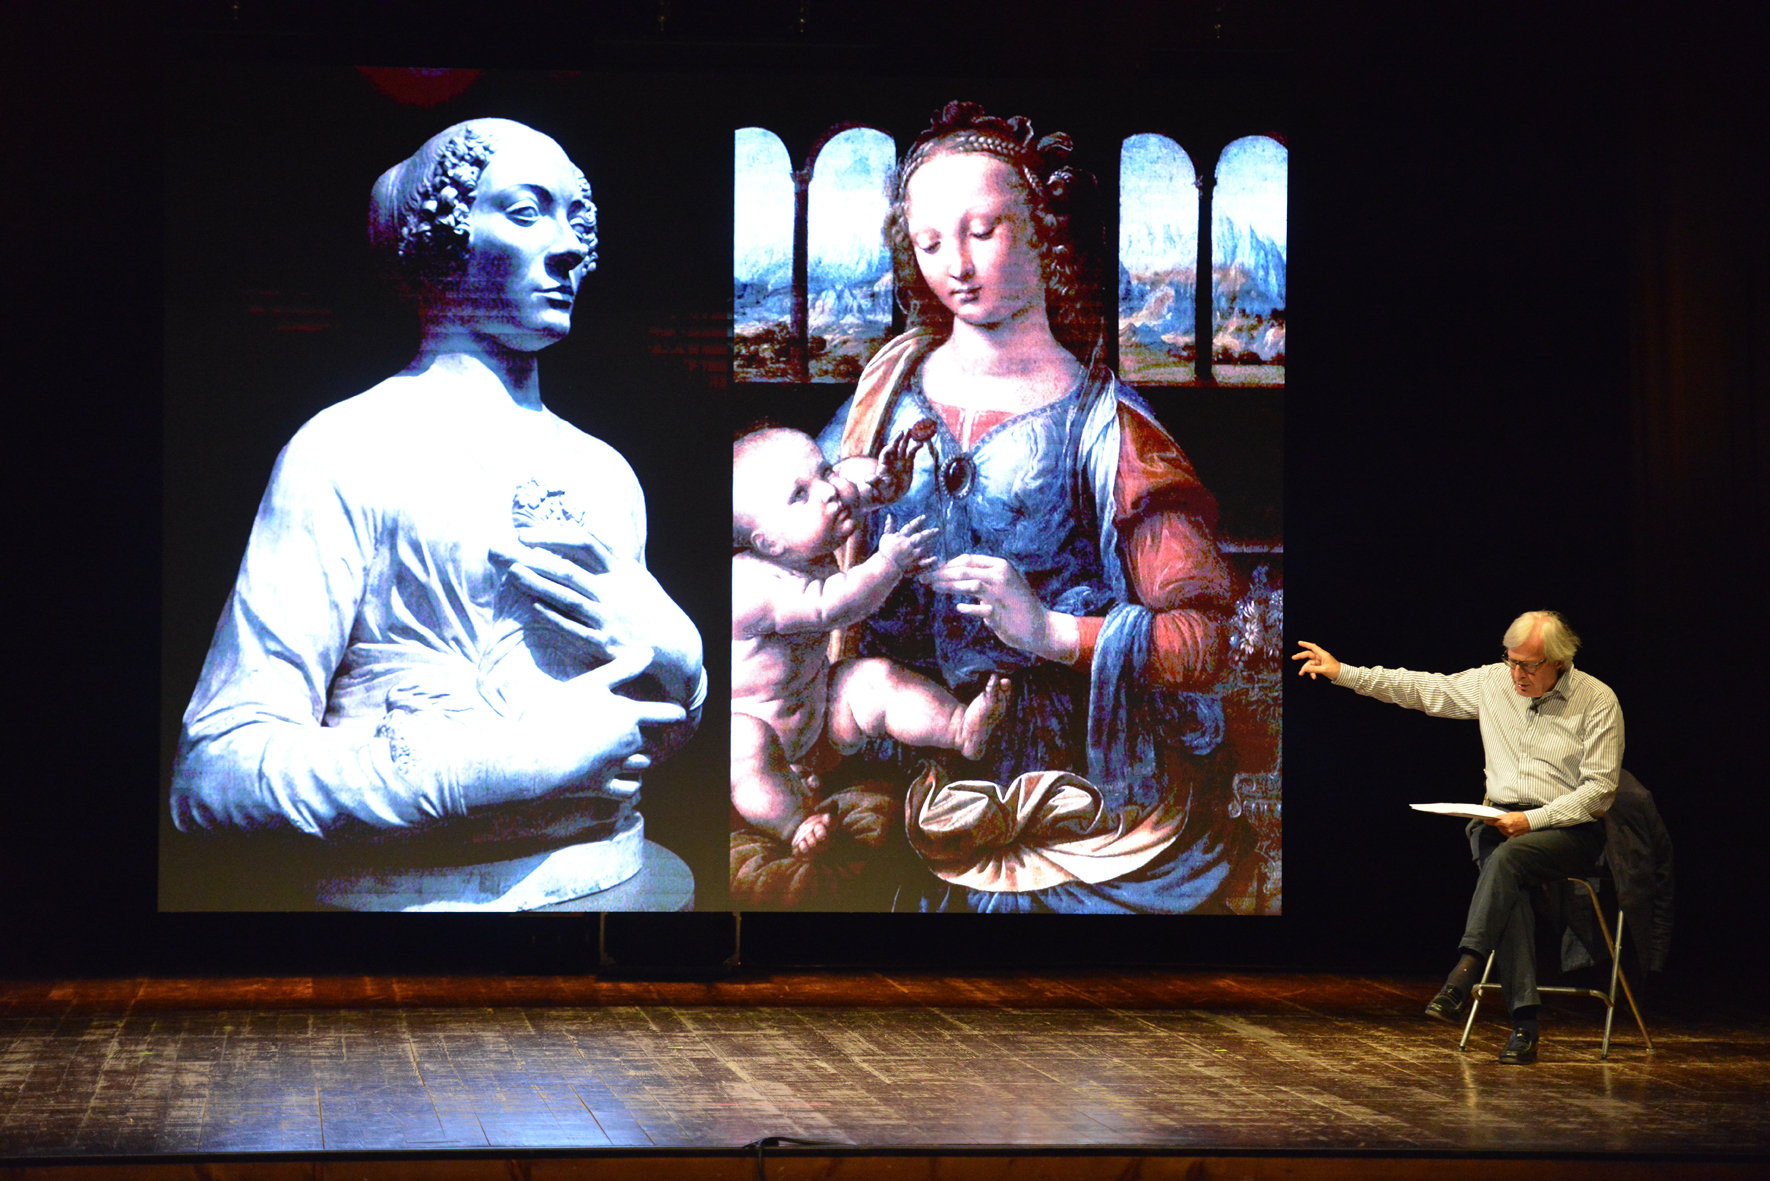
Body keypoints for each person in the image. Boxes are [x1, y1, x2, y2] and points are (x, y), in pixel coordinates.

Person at [169, 119, 705, 911]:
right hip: (417, 909)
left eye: (576, 219)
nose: (569, 247)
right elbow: (214, 772)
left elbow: (630, 738)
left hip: (611, 882)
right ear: (443, 236)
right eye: (526, 212)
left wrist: (684, 667)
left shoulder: (606, 473)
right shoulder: (345, 450)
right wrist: (495, 769)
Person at [814, 102, 1258, 913]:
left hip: (1068, 784)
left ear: (1043, 232)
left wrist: (1049, 631)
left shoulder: (1109, 429)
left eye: (983, 230)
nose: (957, 264)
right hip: (892, 764)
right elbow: (778, 550)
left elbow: (1205, 641)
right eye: (930, 242)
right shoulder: (880, 399)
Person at [1292, 610, 1624, 1065]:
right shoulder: (1494, 683)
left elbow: (1599, 791)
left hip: (1567, 830)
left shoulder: (1597, 700)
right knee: (1507, 876)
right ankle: (1524, 1026)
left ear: (1559, 662)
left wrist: (1533, 820)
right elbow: (1423, 689)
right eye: (1511, 661)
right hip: (1498, 823)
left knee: (1506, 862)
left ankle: (1464, 974)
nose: (1517, 674)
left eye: (1528, 666)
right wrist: (1343, 672)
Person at [730, 426, 1011, 855]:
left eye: (825, 472)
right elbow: (829, 607)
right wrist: (888, 564)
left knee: (874, 679)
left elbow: (852, 494)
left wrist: (885, 485)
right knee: (742, 741)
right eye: (800, 495)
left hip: (820, 724)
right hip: (769, 749)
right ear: (767, 542)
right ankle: (795, 823)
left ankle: (960, 728)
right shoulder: (751, 587)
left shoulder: (801, 537)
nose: (828, 491)